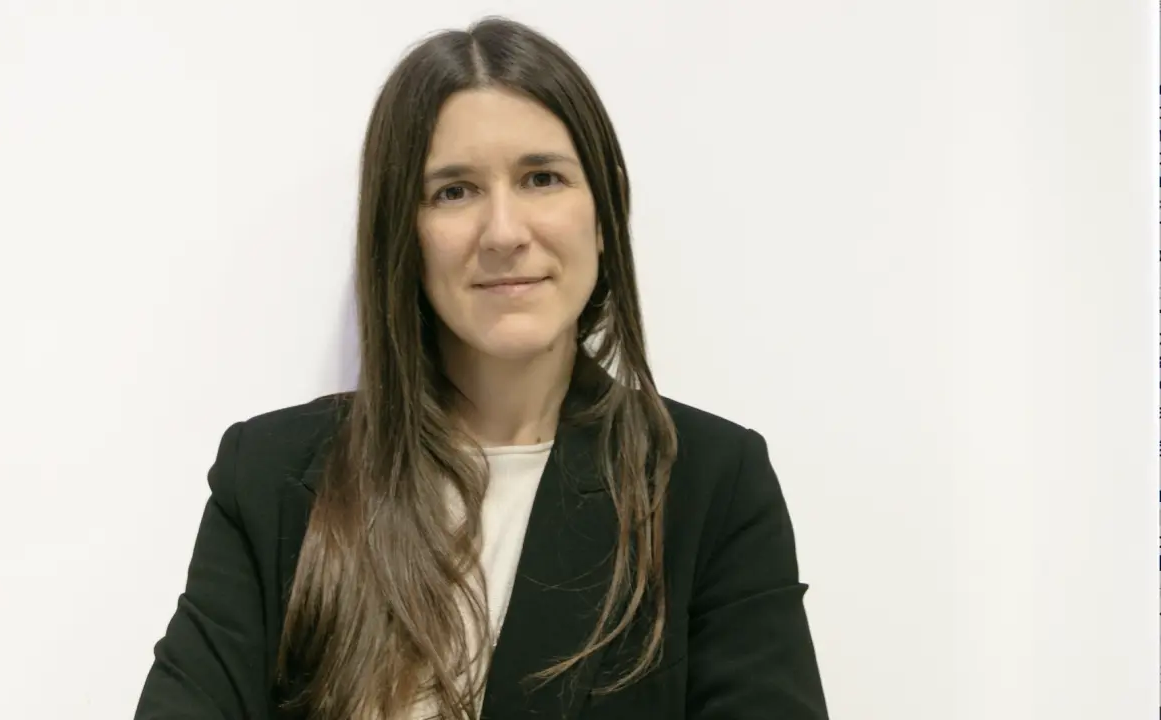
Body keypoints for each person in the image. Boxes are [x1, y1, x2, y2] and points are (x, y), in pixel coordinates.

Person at [134, 16, 828, 720]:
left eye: (542, 178)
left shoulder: (709, 484)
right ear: (402, 230)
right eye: (454, 191)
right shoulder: (270, 476)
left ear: (605, 209)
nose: (504, 232)